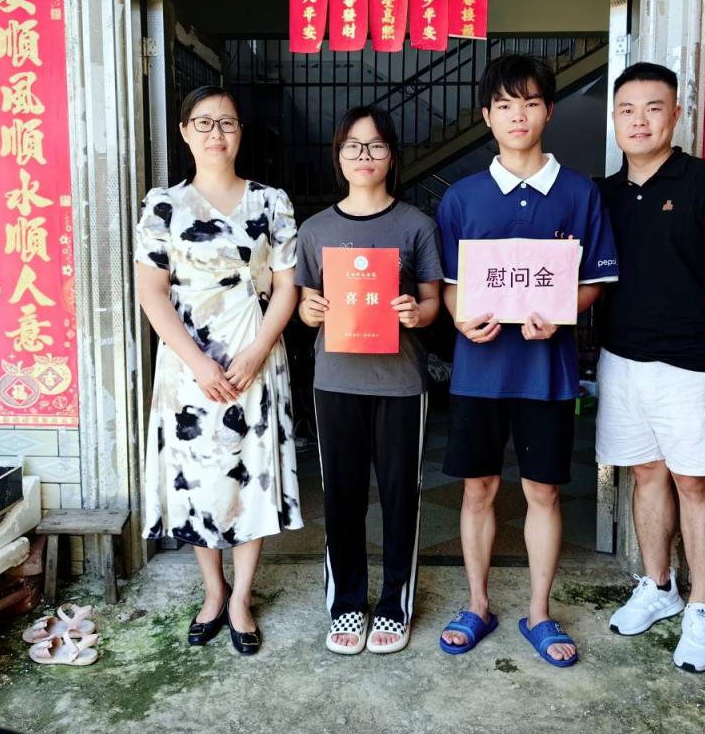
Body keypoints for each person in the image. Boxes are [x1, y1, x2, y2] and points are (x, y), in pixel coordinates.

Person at [436, 54, 619, 667]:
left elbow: (594, 282)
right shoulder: (461, 198)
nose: (519, 115)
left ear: (549, 111)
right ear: (487, 116)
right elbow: (450, 286)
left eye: (531, 103)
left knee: (544, 491)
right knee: (478, 489)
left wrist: (561, 312)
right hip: (479, 370)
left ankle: (539, 612)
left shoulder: (579, 192)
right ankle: (477, 604)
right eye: (505, 105)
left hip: (548, 371)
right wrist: (461, 317)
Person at [596, 62, 705, 673]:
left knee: (693, 482)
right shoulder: (603, 194)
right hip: (621, 361)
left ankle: (700, 606)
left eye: (653, 108)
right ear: (615, 120)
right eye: (627, 110)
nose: (639, 121)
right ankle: (658, 586)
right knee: (646, 475)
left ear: (676, 114)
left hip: (694, 366)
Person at [135, 85, 303, 655]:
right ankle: (213, 591)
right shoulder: (164, 205)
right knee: (198, 477)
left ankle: (241, 598)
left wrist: (255, 353)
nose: (216, 133)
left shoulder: (271, 202)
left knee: (252, 473)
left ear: (240, 133)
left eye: (227, 123)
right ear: (185, 132)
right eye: (204, 123)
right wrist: (199, 362)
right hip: (189, 363)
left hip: (256, 352)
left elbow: (287, 286)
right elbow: (151, 292)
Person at [296, 105, 442, 655]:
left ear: (392, 156)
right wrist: (310, 311)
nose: (364, 155)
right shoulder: (316, 230)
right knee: (342, 497)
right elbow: (304, 302)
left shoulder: (417, 225)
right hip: (335, 380)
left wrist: (416, 314)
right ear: (339, 156)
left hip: (400, 381)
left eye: (376, 145)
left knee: (402, 496)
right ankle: (347, 604)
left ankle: (394, 605)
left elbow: (433, 303)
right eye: (353, 146)